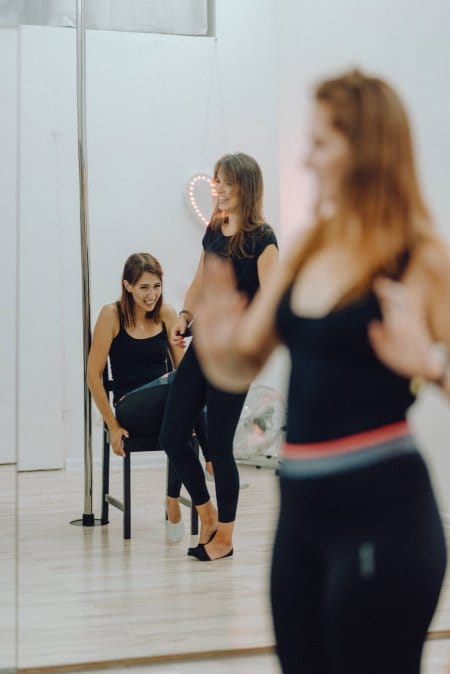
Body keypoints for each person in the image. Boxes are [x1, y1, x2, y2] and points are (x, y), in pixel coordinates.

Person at [193, 70, 449, 672]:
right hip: (302, 519)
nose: (306, 157)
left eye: (321, 142)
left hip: (384, 515)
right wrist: (217, 339)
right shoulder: (308, 245)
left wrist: (430, 364)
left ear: (366, 148)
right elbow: (240, 365)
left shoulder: (418, 254)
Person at [159, 152, 279, 561]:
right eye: (217, 182)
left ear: (246, 186)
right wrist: (186, 315)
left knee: (221, 447)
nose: (221, 190)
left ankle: (225, 538)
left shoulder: (264, 239)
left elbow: (273, 303)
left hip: (236, 356)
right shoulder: (213, 228)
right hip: (204, 345)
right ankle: (206, 512)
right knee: (172, 435)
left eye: (227, 183)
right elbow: (197, 285)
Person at [86, 252, 211, 544]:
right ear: (127, 286)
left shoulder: (168, 314)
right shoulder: (111, 315)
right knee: (187, 384)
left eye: (156, 286)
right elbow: (93, 376)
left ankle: (172, 499)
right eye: (144, 287)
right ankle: (213, 456)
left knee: (187, 392)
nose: (151, 294)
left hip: (167, 405)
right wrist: (112, 425)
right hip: (131, 407)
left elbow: (182, 369)